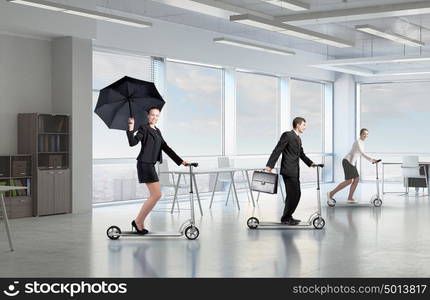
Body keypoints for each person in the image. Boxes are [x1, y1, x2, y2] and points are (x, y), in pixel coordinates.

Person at [127, 107, 188, 234]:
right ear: (148, 116)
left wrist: (181, 161)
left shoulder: (157, 131)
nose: (154, 117)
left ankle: (139, 222)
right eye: (152, 115)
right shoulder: (144, 128)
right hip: (144, 164)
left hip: (150, 164)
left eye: (157, 115)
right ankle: (138, 221)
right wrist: (131, 127)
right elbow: (133, 143)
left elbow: (166, 147)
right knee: (157, 195)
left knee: (155, 195)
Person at [265, 117, 316, 225]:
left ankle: (288, 216)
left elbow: (301, 154)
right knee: (293, 194)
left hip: (295, 171)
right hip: (288, 170)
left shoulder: (298, 138)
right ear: (297, 125)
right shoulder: (287, 135)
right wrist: (270, 165)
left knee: (296, 194)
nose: (304, 127)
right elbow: (278, 149)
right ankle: (286, 218)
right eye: (303, 125)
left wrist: (311, 163)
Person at [327, 128, 377, 203]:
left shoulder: (361, 142)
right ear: (360, 134)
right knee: (349, 181)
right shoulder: (358, 142)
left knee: (355, 179)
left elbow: (357, 154)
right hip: (347, 162)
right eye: (364, 134)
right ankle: (331, 193)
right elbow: (362, 153)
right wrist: (371, 159)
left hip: (351, 163)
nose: (366, 135)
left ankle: (349, 197)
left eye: (367, 134)